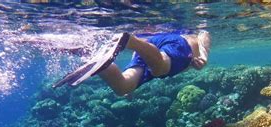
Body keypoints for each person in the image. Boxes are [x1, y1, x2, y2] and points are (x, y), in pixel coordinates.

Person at [54, 31, 211, 96]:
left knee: (123, 87)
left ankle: (94, 58)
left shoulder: (182, 61)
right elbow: (204, 34)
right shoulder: (191, 37)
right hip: (172, 46)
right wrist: (204, 56)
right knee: (159, 69)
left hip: (149, 48)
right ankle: (131, 41)